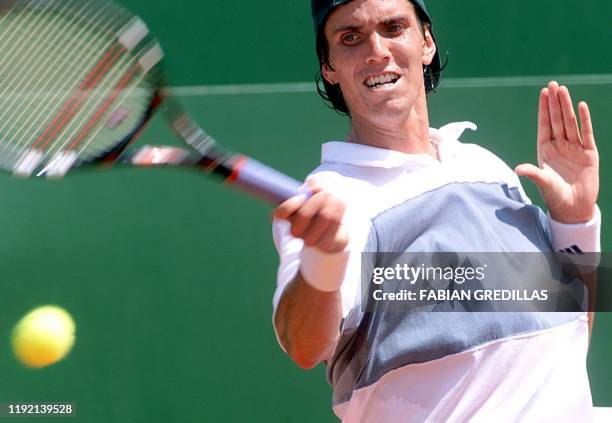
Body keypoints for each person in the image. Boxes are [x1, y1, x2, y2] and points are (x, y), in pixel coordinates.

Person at [271, 0, 601, 421]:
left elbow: (568, 337)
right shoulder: (333, 198)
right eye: (350, 38)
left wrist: (575, 223)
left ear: (426, 42)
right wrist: (323, 258)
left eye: (393, 28)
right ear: (329, 66)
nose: (376, 50)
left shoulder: (487, 167)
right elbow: (303, 344)